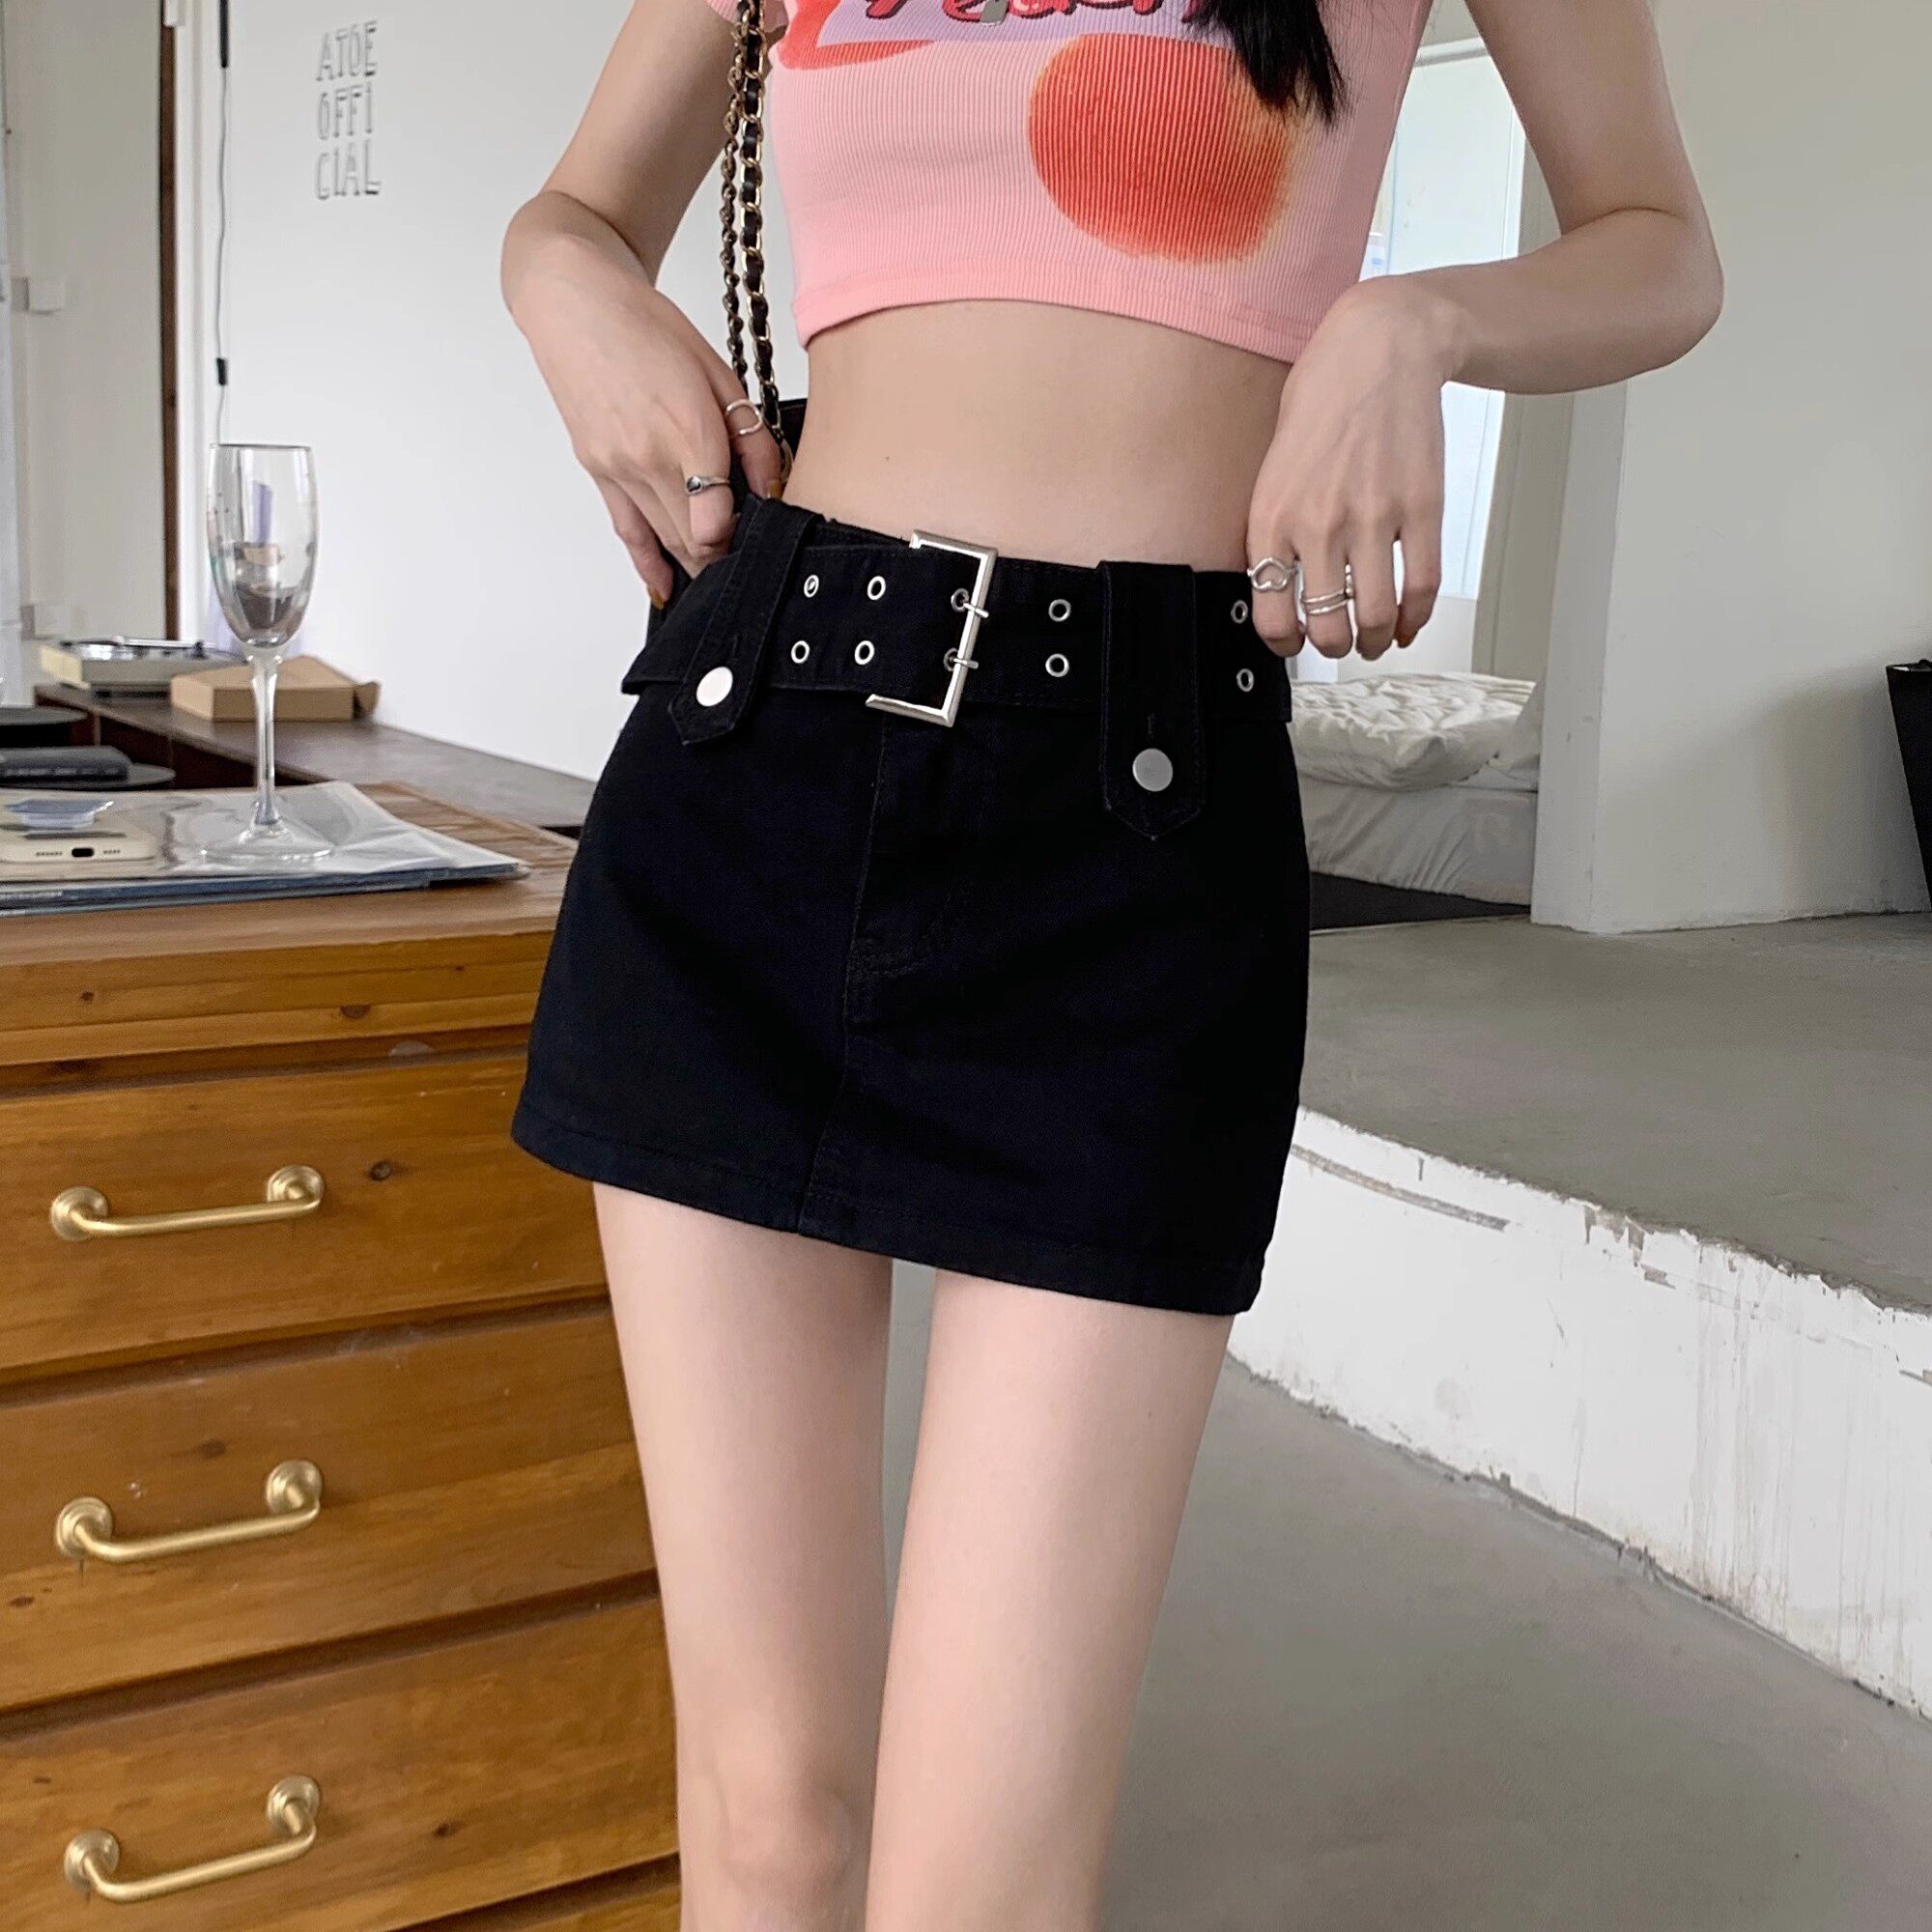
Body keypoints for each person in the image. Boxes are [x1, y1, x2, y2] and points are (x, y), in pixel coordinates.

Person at [502, 2, 1720, 1924]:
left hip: (1136, 811)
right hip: (756, 756)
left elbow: (1659, 247)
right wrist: (565, 287)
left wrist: (1409, 324)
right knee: (765, 1815)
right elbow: (574, 211)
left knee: (980, 1879)